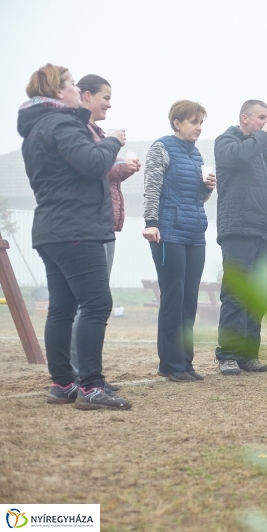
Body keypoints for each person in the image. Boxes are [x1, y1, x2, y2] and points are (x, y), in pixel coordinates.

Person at [17, 63, 130, 409]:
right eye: (70, 84)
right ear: (57, 91)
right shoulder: (62, 122)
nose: (75, 88)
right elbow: (92, 162)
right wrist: (112, 141)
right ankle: (91, 386)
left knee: (62, 308)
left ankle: (63, 383)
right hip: (76, 228)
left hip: (52, 229)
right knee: (96, 303)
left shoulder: (37, 128)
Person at [68, 74, 141, 386]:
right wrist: (113, 144)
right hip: (86, 227)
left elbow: (102, 171)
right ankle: (76, 373)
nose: (109, 104)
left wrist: (123, 168)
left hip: (106, 225)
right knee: (87, 303)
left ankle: (82, 371)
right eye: (105, 97)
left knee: (93, 302)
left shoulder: (94, 132)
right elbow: (91, 167)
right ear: (86, 96)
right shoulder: (78, 131)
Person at [143, 100, 216, 382]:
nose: (198, 128)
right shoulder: (161, 148)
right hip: (168, 232)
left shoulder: (196, 155)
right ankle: (170, 365)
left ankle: (186, 363)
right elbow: (151, 187)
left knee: (189, 300)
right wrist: (151, 223)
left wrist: (207, 189)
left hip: (195, 233)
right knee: (173, 297)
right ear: (177, 123)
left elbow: (197, 197)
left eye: (201, 123)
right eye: (193, 122)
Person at [214, 100, 267, 375]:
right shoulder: (227, 141)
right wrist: (263, 135)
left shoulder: (263, 151)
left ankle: (248, 354)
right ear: (244, 119)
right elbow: (239, 155)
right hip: (236, 230)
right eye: (261, 117)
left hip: (261, 233)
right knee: (235, 295)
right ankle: (228, 355)